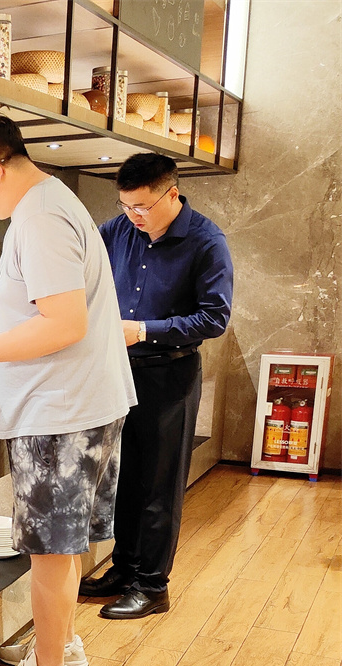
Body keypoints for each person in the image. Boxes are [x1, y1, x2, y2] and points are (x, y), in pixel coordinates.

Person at [0, 109, 136, 666]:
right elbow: (3, 311)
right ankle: (61, 645)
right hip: (81, 402)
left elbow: (63, 324)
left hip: (60, 410)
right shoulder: (44, 205)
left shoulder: (41, 219)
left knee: (50, 549)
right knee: (64, 544)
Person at [79, 153, 234, 619]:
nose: (133, 216)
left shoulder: (207, 241)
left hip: (171, 375)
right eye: (126, 206)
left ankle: (152, 586)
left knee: (159, 485)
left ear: (172, 194)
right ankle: (124, 569)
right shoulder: (117, 230)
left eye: (142, 207)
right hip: (118, 372)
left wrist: (144, 330)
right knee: (125, 476)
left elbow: (215, 317)